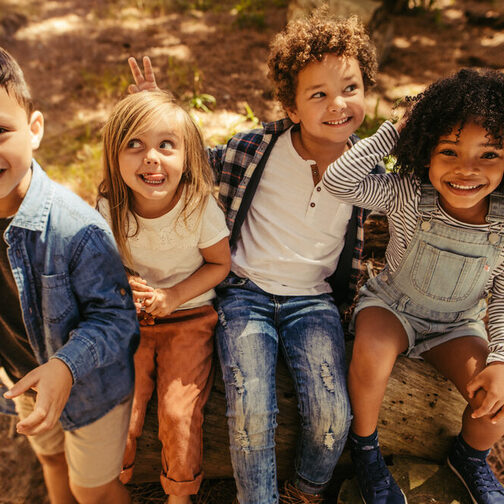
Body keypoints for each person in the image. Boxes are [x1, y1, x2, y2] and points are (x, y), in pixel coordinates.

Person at [128, 10, 380, 503]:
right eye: (319, 95)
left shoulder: (370, 171)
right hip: (246, 293)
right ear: (291, 107)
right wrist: (158, 111)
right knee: (251, 409)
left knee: (332, 414)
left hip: (314, 301)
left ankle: (305, 491)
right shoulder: (257, 150)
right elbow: (194, 157)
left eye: (350, 88)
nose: (338, 105)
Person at [323, 68, 504, 504]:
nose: (467, 170)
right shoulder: (407, 191)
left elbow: (501, 297)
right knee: (372, 356)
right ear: (423, 153)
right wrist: (394, 130)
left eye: (489, 154)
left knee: (495, 405)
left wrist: (499, 358)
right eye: (449, 151)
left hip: (456, 326)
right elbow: (337, 181)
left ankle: (470, 458)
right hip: (392, 307)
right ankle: (366, 451)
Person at [0, 47, 139, 504]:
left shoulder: (76, 230)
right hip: (22, 375)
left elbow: (118, 320)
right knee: (51, 459)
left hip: (89, 389)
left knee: (92, 490)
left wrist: (64, 364)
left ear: (34, 129)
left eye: (0, 131)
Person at [96, 90, 231, 504]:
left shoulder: (198, 207)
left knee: (177, 412)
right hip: (133, 320)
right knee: (123, 406)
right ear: (114, 157)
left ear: (187, 157)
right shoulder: (110, 205)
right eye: (133, 145)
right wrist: (126, 283)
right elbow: (107, 263)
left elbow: (219, 265)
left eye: (165, 146)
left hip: (189, 318)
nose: (150, 157)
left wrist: (173, 296)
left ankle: (179, 492)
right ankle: (109, 483)